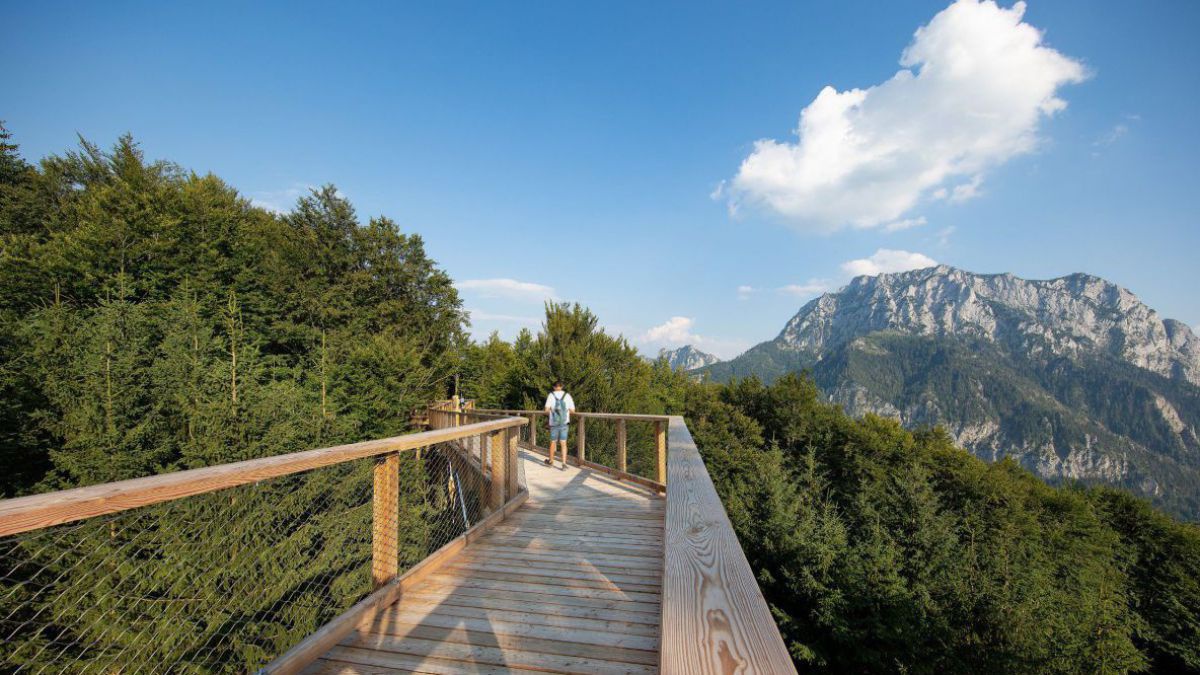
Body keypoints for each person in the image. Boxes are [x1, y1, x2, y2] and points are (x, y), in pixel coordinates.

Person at [543, 381, 576, 468]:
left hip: (554, 423)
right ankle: (564, 463)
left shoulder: (551, 395)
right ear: (562, 386)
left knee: (553, 442)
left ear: (554, 387)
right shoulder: (567, 396)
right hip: (564, 423)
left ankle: (551, 461)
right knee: (563, 443)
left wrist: (552, 412)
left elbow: (546, 410)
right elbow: (573, 411)